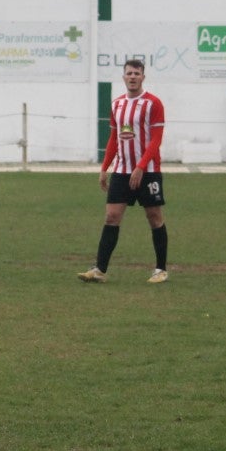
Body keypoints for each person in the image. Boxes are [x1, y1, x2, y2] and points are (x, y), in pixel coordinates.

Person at [78, 58, 170, 284]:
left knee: (154, 217)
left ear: (143, 77)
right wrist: (104, 168)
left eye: (137, 74)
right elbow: (114, 138)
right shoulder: (117, 104)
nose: (132, 77)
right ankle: (99, 270)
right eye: (129, 73)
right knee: (111, 216)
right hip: (121, 171)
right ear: (123, 77)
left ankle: (160, 269)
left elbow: (156, 140)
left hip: (148, 171)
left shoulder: (153, 103)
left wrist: (141, 167)